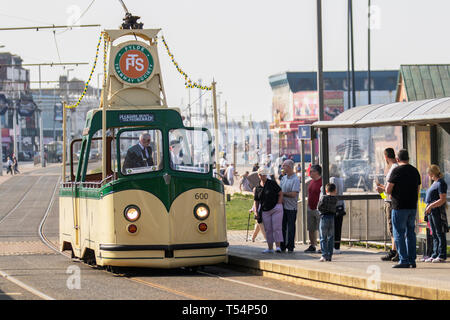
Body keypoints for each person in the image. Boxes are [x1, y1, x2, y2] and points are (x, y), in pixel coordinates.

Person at [386, 149, 421, 268]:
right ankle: (412, 260)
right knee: (411, 232)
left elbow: (388, 189)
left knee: (399, 233)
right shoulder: (415, 171)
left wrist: (383, 189)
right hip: (412, 206)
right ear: (408, 158)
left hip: (399, 206)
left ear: (397, 159)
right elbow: (417, 189)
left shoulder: (396, 170)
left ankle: (403, 260)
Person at [376, 148, 399, 262]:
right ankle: (394, 250)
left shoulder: (393, 168)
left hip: (390, 202)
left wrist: (381, 189)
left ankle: (394, 251)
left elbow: (388, 190)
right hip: (389, 201)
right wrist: (381, 191)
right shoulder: (395, 168)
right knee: (393, 228)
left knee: (392, 228)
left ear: (385, 157)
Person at [254, 167, 284, 253]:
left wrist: (279, 204)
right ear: (258, 175)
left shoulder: (272, 183)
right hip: (265, 210)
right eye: (260, 175)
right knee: (268, 229)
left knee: (277, 227)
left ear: (266, 175)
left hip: (275, 208)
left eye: (264, 175)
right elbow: (256, 200)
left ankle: (278, 247)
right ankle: (270, 248)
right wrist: (256, 211)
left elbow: (280, 193)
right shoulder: (258, 187)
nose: (262, 176)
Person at [424, 165, 448, 263]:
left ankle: (441, 255)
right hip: (432, 211)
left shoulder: (441, 183)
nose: (428, 175)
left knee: (439, 233)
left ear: (432, 173)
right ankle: (435, 254)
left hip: (437, 210)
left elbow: (442, 199)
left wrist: (430, 206)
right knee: (434, 233)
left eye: (429, 173)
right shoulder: (435, 183)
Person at [279, 159, 300, 253]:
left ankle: (290, 246)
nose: (283, 168)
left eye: (284, 166)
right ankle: (282, 245)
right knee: (282, 227)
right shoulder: (283, 178)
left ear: (290, 167)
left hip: (291, 207)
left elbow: (294, 194)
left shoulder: (295, 179)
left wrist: (283, 194)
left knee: (291, 227)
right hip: (282, 206)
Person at [317, 183, 338, 262]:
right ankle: (329, 255)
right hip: (332, 218)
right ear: (335, 190)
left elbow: (319, 207)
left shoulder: (323, 198)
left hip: (324, 217)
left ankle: (324, 255)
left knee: (323, 237)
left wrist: (322, 212)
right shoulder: (335, 199)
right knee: (330, 237)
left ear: (326, 190)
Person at [304, 164, 322, 253]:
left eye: (312, 171)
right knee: (311, 228)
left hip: (318, 209)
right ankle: (312, 245)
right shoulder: (311, 182)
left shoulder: (322, 182)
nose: (310, 173)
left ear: (317, 172)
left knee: (321, 228)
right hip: (310, 208)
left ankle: (322, 246)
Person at [329, 164, 345, 254]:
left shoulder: (332, 180)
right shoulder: (340, 180)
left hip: (333, 206)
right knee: (338, 227)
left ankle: (332, 246)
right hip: (340, 205)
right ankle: (337, 247)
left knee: (331, 227)